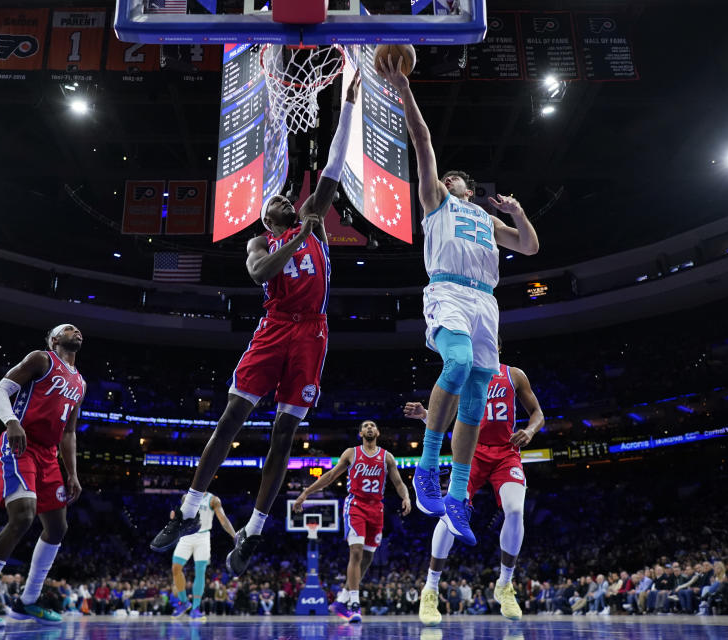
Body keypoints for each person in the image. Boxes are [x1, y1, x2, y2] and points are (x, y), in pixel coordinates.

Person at [150, 71, 363, 577]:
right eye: (279, 202)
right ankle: (185, 510)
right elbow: (261, 273)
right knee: (230, 420)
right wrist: (294, 238)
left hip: (312, 332)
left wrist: (349, 106)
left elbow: (332, 167)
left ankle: (253, 531)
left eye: (291, 199)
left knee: (284, 437)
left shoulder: (313, 216)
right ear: (268, 216)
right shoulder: (260, 242)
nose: (289, 200)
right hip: (273, 328)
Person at [376, 54, 539, 547]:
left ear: (471, 187)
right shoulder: (436, 202)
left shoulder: (486, 221)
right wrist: (403, 87)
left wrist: (518, 212)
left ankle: (456, 496)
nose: (447, 180)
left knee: (474, 392)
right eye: (445, 178)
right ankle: (426, 464)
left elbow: (529, 246)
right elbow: (422, 141)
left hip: (485, 301)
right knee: (460, 362)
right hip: (447, 289)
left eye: (455, 179)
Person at [0, 324, 86, 628]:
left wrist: (73, 473)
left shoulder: (80, 382)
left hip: (49, 456)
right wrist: (12, 421)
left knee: (57, 528)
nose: (77, 330)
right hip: (21, 445)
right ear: (55, 339)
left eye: (79, 329)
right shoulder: (41, 359)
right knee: (24, 517)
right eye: (70, 328)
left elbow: (69, 432)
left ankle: (27, 601)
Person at [406, 348, 545, 625]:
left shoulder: (514, 374)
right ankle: (430, 589)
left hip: (506, 453)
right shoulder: (465, 373)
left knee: (516, 509)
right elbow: (445, 416)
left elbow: (538, 413)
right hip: (470, 452)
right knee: (448, 513)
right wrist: (426, 415)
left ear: (496, 346)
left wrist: (529, 431)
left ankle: (505, 584)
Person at [293, 420, 411, 623]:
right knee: (355, 552)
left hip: (377, 508)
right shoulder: (352, 453)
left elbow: (398, 482)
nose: (369, 428)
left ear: (379, 431)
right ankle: (354, 603)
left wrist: (406, 497)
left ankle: (342, 599)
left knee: (367, 558)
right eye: (365, 426)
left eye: (373, 425)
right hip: (356, 505)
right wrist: (305, 493)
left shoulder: (387, 457)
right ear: (360, 433)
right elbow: (330, 476)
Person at [170, 492, 235, 621]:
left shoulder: (213, 500)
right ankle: (184, 602)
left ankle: (195, 609)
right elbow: (181, 517)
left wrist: (234, 535)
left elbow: (223, 519)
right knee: (176, 568)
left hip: (203, 537)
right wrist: (174, 519)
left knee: (200, 572)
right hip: (186, 535)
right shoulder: (186, 497)